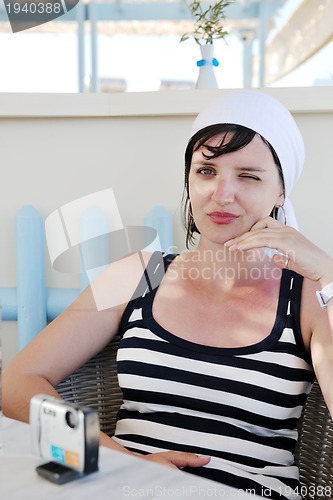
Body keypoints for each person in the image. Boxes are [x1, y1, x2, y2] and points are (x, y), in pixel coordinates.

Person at [3, 89, 333, 499]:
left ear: (282, 192)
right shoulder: (139, 273)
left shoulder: (310, 298)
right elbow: (17, 383)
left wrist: (329, 276)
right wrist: (117, 457)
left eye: (248, 176)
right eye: (206, 171)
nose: (222, 194)